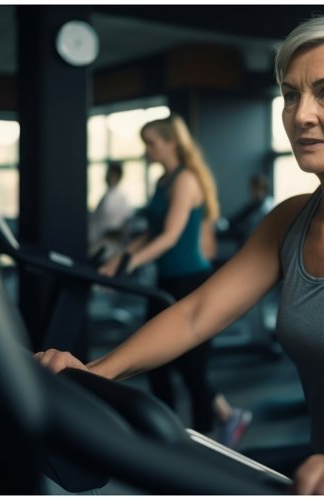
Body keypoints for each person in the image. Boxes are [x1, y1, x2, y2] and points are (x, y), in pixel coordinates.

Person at [37, 13, 324, 495]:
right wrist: (93, 375)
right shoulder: (290, 220)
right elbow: (198, 314)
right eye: (290, 94)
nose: (300, 115)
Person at [97, 115, 251, 449]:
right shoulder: (162, 182)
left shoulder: (185, 181)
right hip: (165, 282)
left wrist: (129, 262)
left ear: (171, 143)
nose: (147, 150)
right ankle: (164, 436)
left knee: (192, 370)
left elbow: (169, 236)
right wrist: (120, 258)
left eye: (151, 143)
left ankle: (207, 440)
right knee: (154, 362)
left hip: (190, 282)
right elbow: (151, 232)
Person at [88, 161, 133, 259]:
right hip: (96, 240)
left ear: (117, 176)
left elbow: (125, 226)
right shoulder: (105, 195)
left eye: (110, 174)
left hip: (110, 244)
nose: (107, 177)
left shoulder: (122, 198)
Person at [226, 173, 275, 245]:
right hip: (248, 242)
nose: (252, 191)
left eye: (254, 188)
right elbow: (237, 218)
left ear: (262, 188)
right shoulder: (253, 205)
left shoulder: (269, 206)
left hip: (262, 243)